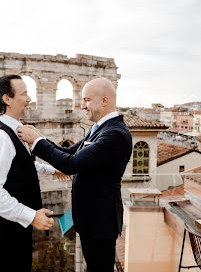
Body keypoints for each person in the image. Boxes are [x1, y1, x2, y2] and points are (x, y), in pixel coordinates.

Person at [17, 77, 132, 272]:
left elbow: (70, 164)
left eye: (87, 100)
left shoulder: (115, 134)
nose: (82, 106)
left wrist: (37, 142)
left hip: (100, 221)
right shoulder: (99, 129)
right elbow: (70, 152)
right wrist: (41, 138)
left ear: (104, 100)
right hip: (91, 219)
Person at [0, 74, 68, 272]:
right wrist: (31, 216)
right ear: (7, 99)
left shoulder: (15, 129)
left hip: (14, 223)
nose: (29, 99)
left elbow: (21, 165)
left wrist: (52, 169)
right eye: (24, 93)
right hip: (5, 228)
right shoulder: (0, 137)